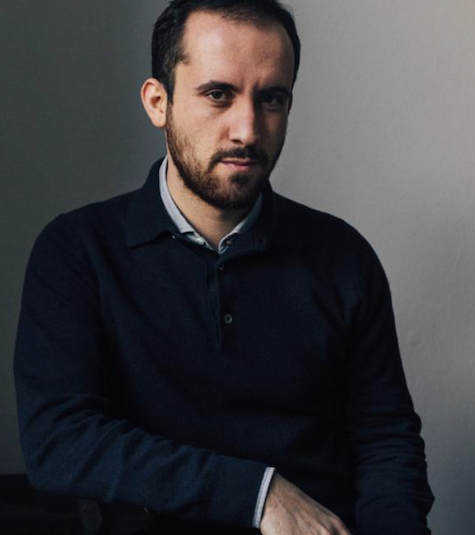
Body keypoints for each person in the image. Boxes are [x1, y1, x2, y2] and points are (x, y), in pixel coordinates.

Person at [14, 1, 434, 533]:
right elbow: (60, 441)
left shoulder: (344, 257)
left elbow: (386, 441)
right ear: (158, 102)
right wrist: (261, 495)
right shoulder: (76, 252)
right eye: (218, 94)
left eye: (271, 98)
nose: (247, 130)